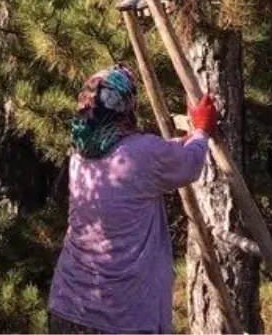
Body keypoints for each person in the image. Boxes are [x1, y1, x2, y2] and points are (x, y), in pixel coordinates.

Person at [48, 64, 219, 335]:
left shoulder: (81, 155)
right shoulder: (142, 153)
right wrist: (201, 131)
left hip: (68, 305)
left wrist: (182, 141)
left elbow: (145, 157)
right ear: (125, 106)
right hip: (121, 317)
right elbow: (188, 164)